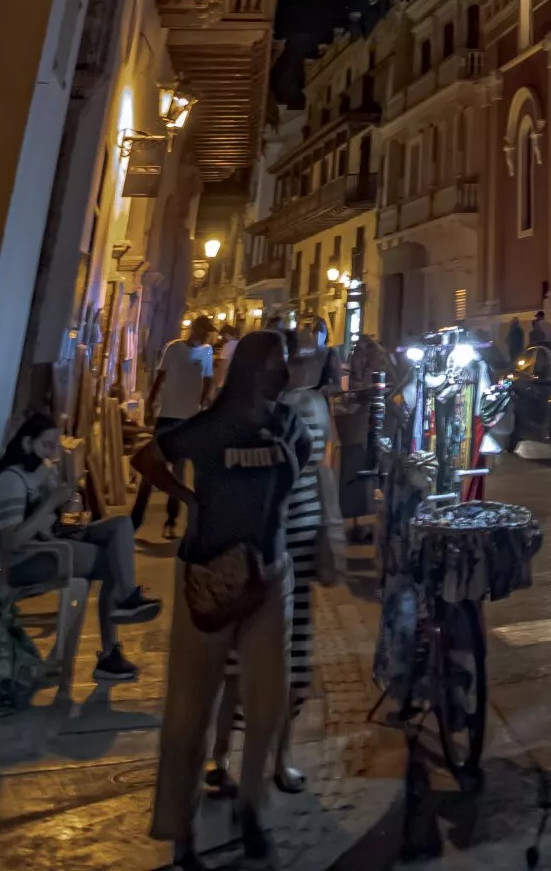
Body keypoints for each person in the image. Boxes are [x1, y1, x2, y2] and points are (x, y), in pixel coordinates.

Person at [137, 328, 313, 870]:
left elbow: (299, 471)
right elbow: (146, 458)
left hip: (270, 573)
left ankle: (251, 807)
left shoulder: (288, 424)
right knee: (191, 707)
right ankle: (180, 830)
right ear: (255, 368)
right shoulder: (210, 427)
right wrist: (189, 499)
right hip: (207, 576)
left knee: (267, 701)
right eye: (278, 360)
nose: (287, 368)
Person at [207, 323, 341, 799]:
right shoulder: (248, 409)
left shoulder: (315, 405)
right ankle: (219, 753)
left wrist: (332, 531)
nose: (298, 362)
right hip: (252, 545)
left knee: (292, 663)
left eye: (302, 353)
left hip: (299, 546)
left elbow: (325, 471)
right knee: (236, 659)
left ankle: (279, 757)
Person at [0, 412, 160, 683]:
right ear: (26, 443)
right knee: (113, 562)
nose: (53, 451)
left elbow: (59, 512)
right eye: (47, 445)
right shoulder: (11, 481)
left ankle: (125, 600)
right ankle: (110, 650)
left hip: (55, 538)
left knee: (121, 527)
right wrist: (48, 504)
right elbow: (12, 542)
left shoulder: (41, 471)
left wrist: (68, 500)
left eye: (56, 445)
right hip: (30, 558)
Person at [134, 316, 216, 540]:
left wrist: (205, 401)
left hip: (187, 421)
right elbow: (160, 377)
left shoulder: (207, 352)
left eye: (207, 332)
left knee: (178, 475)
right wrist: (151, 404)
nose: (205, 335)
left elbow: (208, 380)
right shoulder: (173, 348)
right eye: (203, 330)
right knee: (151, 470)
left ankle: (171, 521)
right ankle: (134, 521)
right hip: (167, 416)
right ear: (194, 329)